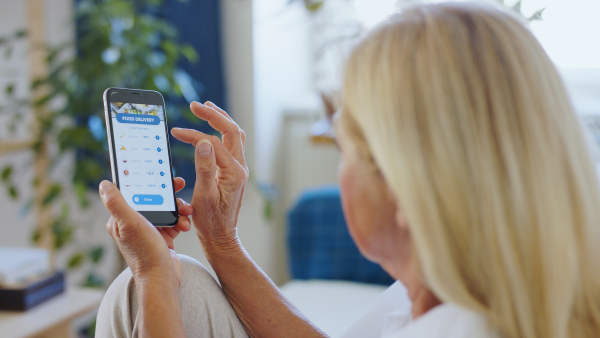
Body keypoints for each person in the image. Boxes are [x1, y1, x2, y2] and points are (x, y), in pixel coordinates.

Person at [95, 2, 600, 337]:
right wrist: (220, 240)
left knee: (144, 291)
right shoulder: (461, 289)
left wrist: (153, 274)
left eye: (346, 149)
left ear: (407, 192)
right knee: (187, 286)